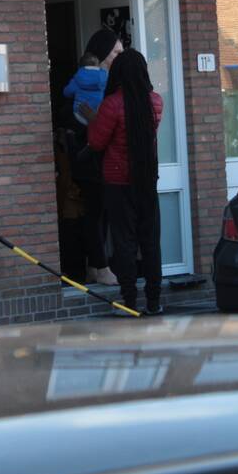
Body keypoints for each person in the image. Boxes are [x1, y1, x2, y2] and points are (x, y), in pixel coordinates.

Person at [87, 48, 165, 315]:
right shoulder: (155, 102)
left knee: (125, 242)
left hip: (118, 182)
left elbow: (96, 141)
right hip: (147, 181)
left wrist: (91, 120)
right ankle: (154, 301)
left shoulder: (111, 104)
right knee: (150, 241)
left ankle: (129, 301)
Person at [68, 28, 124, 286]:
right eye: (116, 52)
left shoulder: (108, 81)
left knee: (100, 212)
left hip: (99, 158)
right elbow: (78, 121)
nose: (120, 56)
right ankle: (101, 266)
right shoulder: (92, 83)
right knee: (96, 212)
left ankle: (94, 266)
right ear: (102, 54)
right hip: (90, 160)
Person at [63, 52, 108, 127]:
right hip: (100, 111)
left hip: (80, 113)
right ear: (98, 65)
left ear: (80, 66)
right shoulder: (105, 77)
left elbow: (67, 92)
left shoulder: (78, 78)